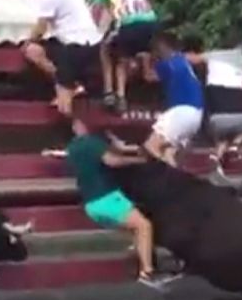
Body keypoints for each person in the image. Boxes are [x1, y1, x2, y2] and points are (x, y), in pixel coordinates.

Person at [43, 118, 178, 290]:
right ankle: (147, 272)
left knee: (136, 229)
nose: (84, 124)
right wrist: (139, 161)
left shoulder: (72, 150)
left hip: (91, 204)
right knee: (144, 226)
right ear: (75, 127)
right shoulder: (90, 142)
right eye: (80, 123)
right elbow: (112, 161)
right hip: (107, 197)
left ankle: (139, 258)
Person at [15, 0, 103, 116]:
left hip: (74, 45)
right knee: (36, 52)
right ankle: (69, 83)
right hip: (87, 41)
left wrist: (26, 42)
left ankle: (68, 87)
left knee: (63, 104)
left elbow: (41, 28)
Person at [91, 0, 159, 115]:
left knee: (106, 48)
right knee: (124, 55)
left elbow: (97, 8)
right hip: (150, 23)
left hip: (129, 23)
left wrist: (92, 27)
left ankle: (109, 91)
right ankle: (122, 94)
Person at [182, 35, 242, 168]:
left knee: (222, 124)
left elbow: (191, 59)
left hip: (216, 122)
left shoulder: (214, 55)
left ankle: (217, 155)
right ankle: (234, 146)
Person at [146, 31, 205, 167]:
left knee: (151, 146)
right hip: (197, 112)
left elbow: (149, 77)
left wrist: (146, 60)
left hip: (181, 111)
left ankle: (169, 179)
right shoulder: (182, 60)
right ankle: (176, 178)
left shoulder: (167, 64)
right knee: (168, 152)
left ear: (162, 47)